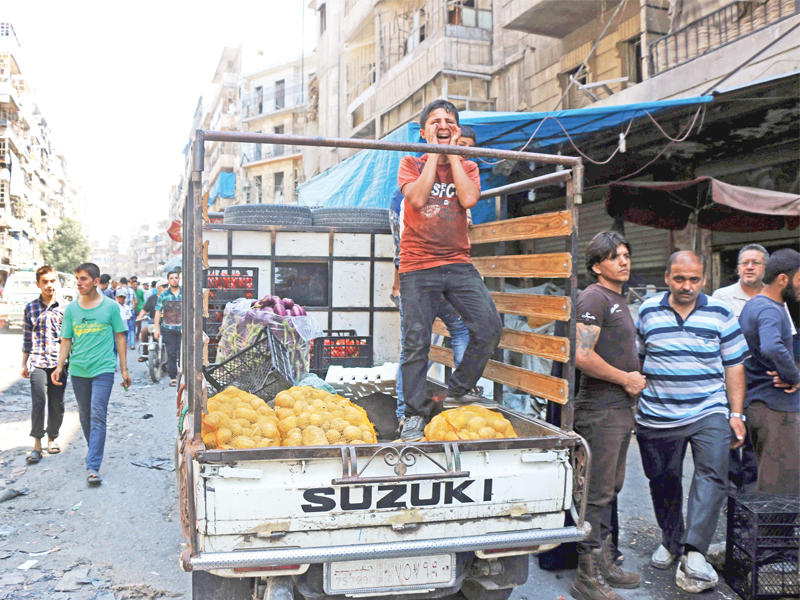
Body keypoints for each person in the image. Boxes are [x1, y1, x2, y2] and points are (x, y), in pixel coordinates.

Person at [636, 251, 747, 592]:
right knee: (663, 480)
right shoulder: (647, 311)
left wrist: (736, 413)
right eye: (680, 279)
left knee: (712, 475)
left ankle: (695, 551)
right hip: (657, 414)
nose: (687, 286)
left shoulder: (721, 312)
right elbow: (637, 362)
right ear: (667, 278)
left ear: (704, 279)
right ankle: (671, 540)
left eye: (694, 279)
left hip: (708, 410)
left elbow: (734, 365)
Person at [396, 99, 502, 441]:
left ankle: (458, 389)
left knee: (489, 326)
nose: (443, 125)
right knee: (416, 342)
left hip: (457, 262)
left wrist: (453, 154)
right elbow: (417, 199)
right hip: (417, 265)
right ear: (423, 131)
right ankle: (413, 413)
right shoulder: (410, 162)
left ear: (456, 129)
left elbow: (469, 200)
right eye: (435, 121)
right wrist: (433, 153)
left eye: (449, 121)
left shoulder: (467, 166)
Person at [570, 232, 644, 600]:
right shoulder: (594, 297)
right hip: (599, 408)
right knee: (596, 493)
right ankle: (585, 577)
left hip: (618, 408)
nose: (624, 262)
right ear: (597, 265)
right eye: (615, 257)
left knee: (610, 488)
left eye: (626, 255)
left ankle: (604, 563)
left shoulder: (617, 298)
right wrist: (625, 378)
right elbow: (582, 356)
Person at [51, 262, 130, 486]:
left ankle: (93, 465)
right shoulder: (71, 310)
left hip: (103, 369)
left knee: (97, 414)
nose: (79, 283)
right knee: (85, 415)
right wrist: (59, 366)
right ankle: (93, 449)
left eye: (84, 278)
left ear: (96, 282)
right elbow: (66, 340)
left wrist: (124, 369)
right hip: (78, 370)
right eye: (77, 278)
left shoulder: (111, 307)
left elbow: (120, 337)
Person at [738, 248, 800, 495]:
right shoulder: (770, 309)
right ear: (783, 279)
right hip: (775, 408)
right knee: (780, 489)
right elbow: (772, 346)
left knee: (761, 482)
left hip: (758, 403)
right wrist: (793, 376)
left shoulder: (754, 305)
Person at [21, 265, 67, 464]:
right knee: (38, 402)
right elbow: (26, 339)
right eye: (45, 282)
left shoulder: (65, 308)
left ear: (57, 282)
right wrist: (23, 363)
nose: (49, 285)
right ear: (38, 284)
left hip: (59, 364)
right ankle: (37, 444)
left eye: (52, 281)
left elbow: (69, 338)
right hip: (38, 362)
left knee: (57, 404)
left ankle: (52, 438)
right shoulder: (30, 308)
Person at [154, 270, 182, 387]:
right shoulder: (164, 295)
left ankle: (183, 374)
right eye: (171, 278)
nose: (174, 280)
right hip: (168, 328)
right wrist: (156, 328)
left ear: (179, 279)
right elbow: (158, 311)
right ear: (168, 280)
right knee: (171, 353)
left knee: (182, 353)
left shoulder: (185, 293)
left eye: (176, 278)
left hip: (182, 328)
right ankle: (173, 377)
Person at [137, 279, 167, 361]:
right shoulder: (152, 298)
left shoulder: (169, 298)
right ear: (158, 288)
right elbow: (144, 310)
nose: (166, 288)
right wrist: (139, 317)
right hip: (154, 324)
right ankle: (145, 353)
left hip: (167, 325)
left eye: (167, 286)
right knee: (144, 331)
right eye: (164, 286)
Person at [117, 277, 136, 350]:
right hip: (130, 310)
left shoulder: (120, 290)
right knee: (131, 329)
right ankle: (132, 344)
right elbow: (136, 301)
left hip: (122, 311)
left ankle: (123, 343)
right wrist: (132, 308)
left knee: (123, 329)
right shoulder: (131, 290)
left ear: (121, 283)